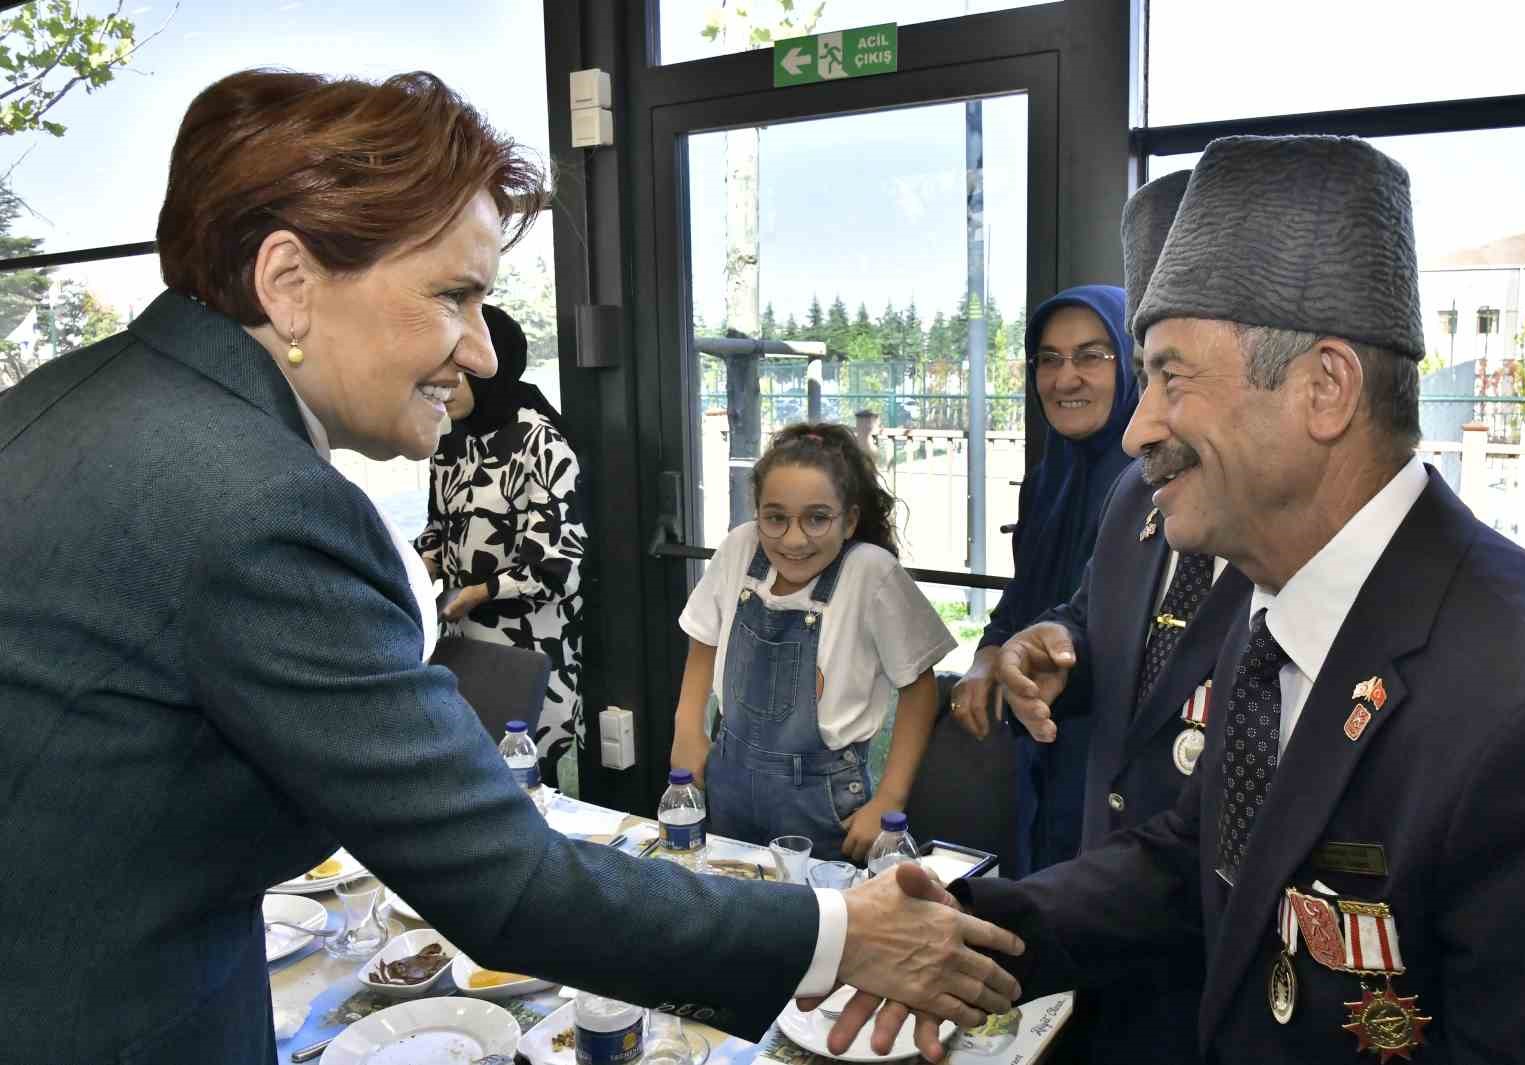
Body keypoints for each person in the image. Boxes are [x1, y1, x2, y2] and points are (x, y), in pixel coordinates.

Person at [0, 70, 1023, 1064]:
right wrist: (842, 937)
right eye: (454, 295)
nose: (485, 353)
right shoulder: (261, 503)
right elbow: (506, 884)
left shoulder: (54, 404)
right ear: (289, 283)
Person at [941, 134, 1525, 1061]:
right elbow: (1194, 862)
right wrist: (958, 926)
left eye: (1170, 375)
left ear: (1324, 389)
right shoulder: (1281, 614)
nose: (1137, 429)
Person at [988, 172, 1251, 1065]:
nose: (1142, 422)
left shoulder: (1308, 553)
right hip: (1102, 900)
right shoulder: (1133, 490)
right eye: (1147, 366)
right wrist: (1056, 642)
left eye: (1164, 371)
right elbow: (1088, 609)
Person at [670, 422, 956, 863]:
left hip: (824, 802)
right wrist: (688, 728)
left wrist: (888, 799)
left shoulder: (871, 574)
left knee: (825, 920)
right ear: (758, 512)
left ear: (850, 520)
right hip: (728, 780)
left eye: (817, 518)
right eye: (776, 518)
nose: (794, 538)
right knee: (734, 908)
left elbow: (919, 690)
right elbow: (702, 640)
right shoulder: (739, 549)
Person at [949, 285, 1138, 875]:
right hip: (1039, 737)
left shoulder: (1154, 486)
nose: (1066, 378)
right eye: (1049, 359)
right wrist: (987, 653)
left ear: (1134, 366)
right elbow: (1028, 591)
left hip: (1114, 759)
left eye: (1091, 356)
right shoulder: (1047, 476)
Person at [416, 302, 585, 772]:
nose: (443, 384)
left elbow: (557, 568)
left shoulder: (542, 444)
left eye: (456, 370)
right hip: (460, 648)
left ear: (490, 368)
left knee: (524, 784)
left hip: (527, 657)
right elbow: (438, 534)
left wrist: (474, 593)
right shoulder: (450, 441)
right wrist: (405, 572)